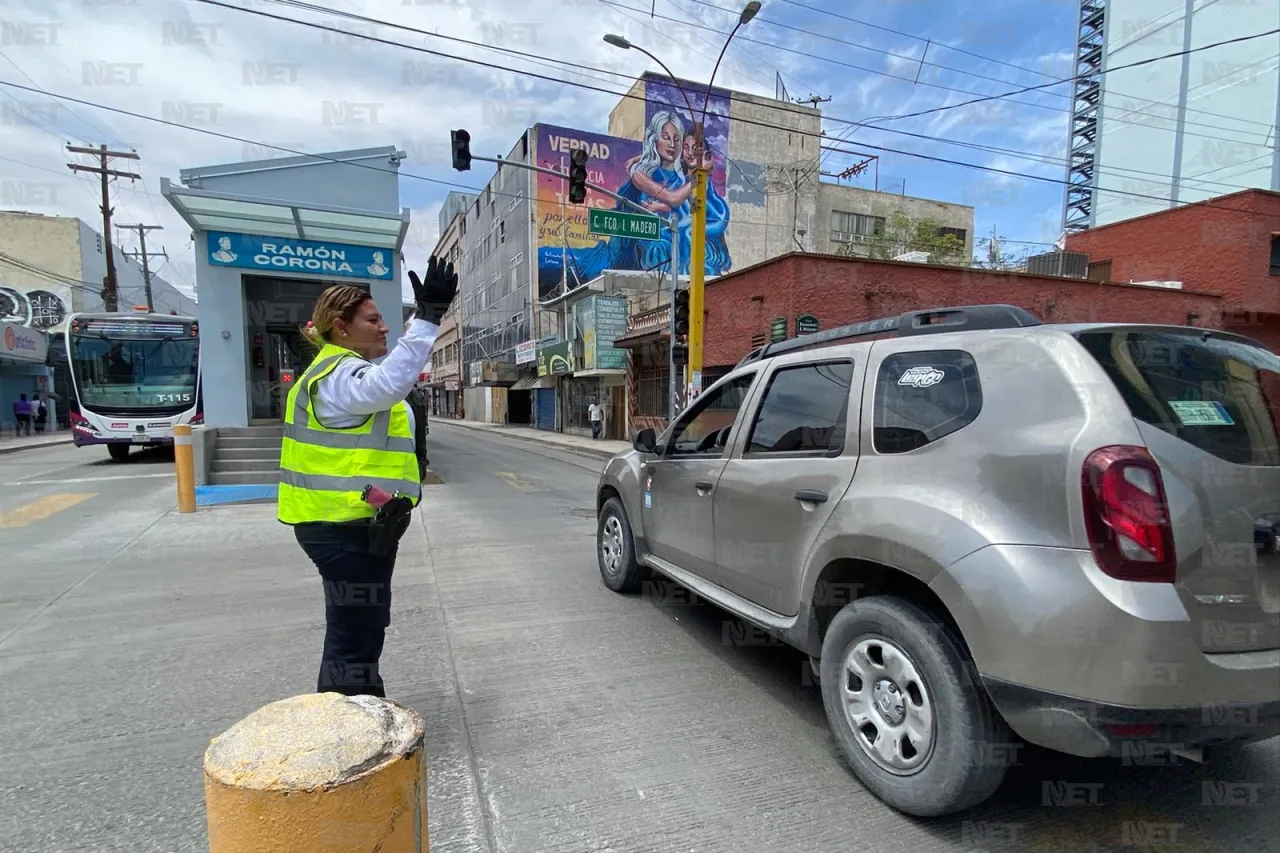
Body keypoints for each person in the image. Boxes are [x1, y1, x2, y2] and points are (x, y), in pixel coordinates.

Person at [278, 256, 458, 698]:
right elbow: (388, 386)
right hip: (343, 530)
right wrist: (428, 319)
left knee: (362, 627)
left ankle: (358, 715)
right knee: (353, 636)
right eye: (373, 320)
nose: (384, 328)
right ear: (341, 328)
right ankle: (347, 730)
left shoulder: (341, 372)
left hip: (359, 525)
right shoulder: (338, 375)